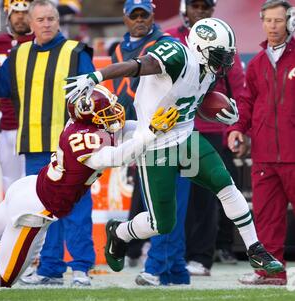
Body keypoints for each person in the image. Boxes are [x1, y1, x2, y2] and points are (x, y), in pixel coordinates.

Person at [65, 17, 284, 279]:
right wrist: (97, 75)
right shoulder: (179, 55)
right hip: (156, 144)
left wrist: (217, 114)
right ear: (201, 48)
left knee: (226, 185)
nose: (225, 61)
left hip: (186, 137)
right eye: (220, 54)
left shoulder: (208, 69)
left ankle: (255, 249)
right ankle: (119, 233)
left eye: (227, 55)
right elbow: (138, 65)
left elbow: (191, 103)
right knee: (162, 223)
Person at [0, 84, 179, 287]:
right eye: (106, 111)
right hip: (34, 210)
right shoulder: (85, 138)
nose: (114, 113)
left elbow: (127, 129)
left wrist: (153, 127)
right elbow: (116, 157)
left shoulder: (91, 126)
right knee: (3, 278)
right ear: (89, 116)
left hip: (29, 189)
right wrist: (151, 132)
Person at [0, 0, 95, 286]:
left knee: (77, 208)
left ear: (58, 20)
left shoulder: (75, 52)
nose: (47, 24)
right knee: (40, 212)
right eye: (41, 19)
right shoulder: (19, 53)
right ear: (30, 22)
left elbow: (91, 95)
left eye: (51, 18)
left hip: (72, 148)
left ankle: (80, 268)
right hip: (35, 145)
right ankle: (49, 268)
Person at [110, 0, 191, 286]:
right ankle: (176, 269)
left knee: (165, 205)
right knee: (162, 205)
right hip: (140, 134)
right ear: (126, 18)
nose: (140, 20)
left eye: (145, 14)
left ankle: (158, 266)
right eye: (135, 15)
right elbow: (120, 96)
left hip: (169, 133)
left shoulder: (167, 43)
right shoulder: (118, 49)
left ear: (154, 15)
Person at [165, 0, 245, 277]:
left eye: (206, 6)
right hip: (172, 129)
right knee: (171, 194)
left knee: (205, 197)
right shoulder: (170, 40)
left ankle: (200, 256)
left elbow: (236, 90)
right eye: (196, 6)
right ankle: (171, 253)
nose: (201, 11)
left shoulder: (223, 37)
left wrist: (234, 126)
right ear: (185, 9)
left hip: (208, 130)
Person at [227, 0, 295, 286]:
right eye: (268, 21)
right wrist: (237, 129)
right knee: (267, 218)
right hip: (265, 155)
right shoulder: (255, 63)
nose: (273, 26)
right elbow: (246, 102)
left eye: (278, 21)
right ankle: (271, 273)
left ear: (290, 22)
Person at [0, 0, 33, 194]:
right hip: (7, 126)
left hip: (33, 126)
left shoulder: (39, 42)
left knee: (32, 183)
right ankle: (12, 224)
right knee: (9, 183)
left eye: (25, 12)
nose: (20, 17)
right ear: (8, 14)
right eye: (15, 12)